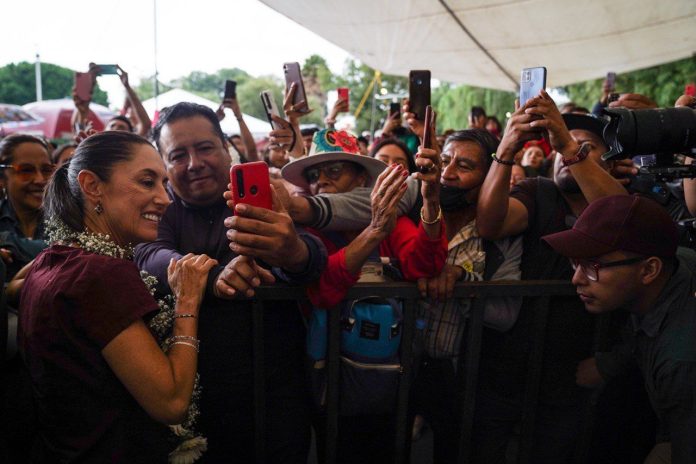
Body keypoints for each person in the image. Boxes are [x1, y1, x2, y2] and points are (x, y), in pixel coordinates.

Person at [135, 102, 327, 463]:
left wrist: (292, 251)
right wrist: (211, 277)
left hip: (275, 386)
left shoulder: (264, 193)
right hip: (198, 392)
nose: (194, 163)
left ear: (227, 147)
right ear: (164, 164)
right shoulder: (160, 205)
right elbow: (148, 254)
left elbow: (313, 256)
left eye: (205, 148)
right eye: (178, 155)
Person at [19, 130, 217, 462]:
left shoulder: (50, 260)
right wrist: (186, 302)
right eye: (147, 182)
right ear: (92, 185)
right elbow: (171, 402)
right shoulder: (100, 275)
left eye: (163, 183)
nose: (165, 198)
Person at [475, 90, 628, 463]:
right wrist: (507, 147)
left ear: (610, 164)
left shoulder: (620, 201)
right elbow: (490, 224)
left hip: (575, 370)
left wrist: (569, 145)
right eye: (560, 145)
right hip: (510, 365)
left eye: (586, 147)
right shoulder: (538, 191)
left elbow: (620, 218)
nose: (565, 152)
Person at [278, 128, 447, 464]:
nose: (321, 181)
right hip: (328, 375)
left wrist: (430, 200)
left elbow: (423, 263)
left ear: (360, 180)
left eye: (334, 170)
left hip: (386, 373)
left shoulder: (390, 218)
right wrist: (374, 232)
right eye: (314, 175)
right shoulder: (307, 231)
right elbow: (323, 288)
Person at [541, 194, 696, 464]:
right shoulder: (679, 264)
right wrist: (610, 363)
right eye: (576, 262)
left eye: (593, 266)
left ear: (649, 270)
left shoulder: (681, 360)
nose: (576, 279)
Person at [410, 129, 523, 463]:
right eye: (445, 160)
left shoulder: (502, 235)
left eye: (464, 166)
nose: (447, 173)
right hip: (405, 364)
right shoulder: (416, 213)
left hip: (467, 374)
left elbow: (505, 315)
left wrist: (464, 281)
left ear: (489, 177)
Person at [216, 95, 259, 162]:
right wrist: (215, 120)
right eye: (230, 145)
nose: (233, 147)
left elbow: (251, 150)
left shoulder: (248, 163)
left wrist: (238, 115)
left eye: (238, 143)